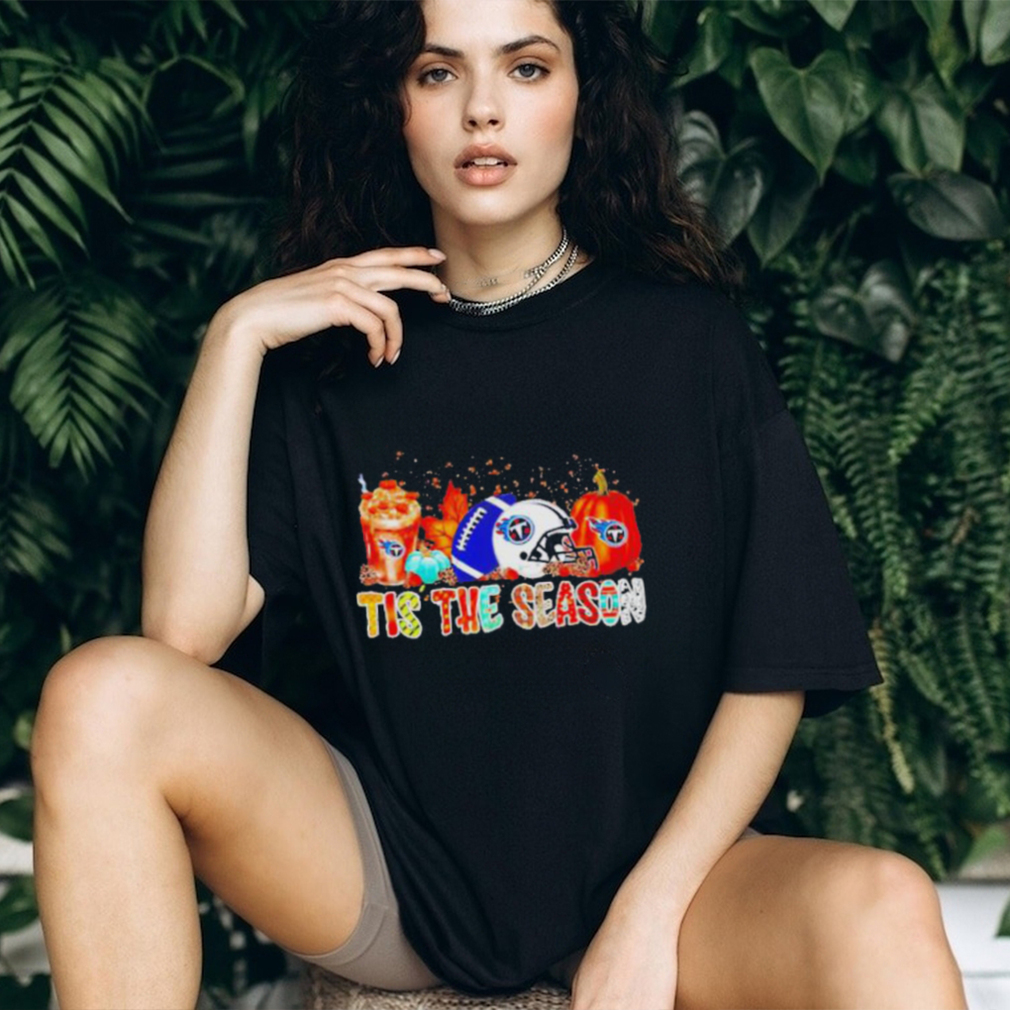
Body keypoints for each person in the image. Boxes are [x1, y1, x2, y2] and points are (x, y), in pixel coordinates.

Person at [29, 1, 970, 1008]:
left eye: (525, 68)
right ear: (391, 104)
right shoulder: (329, 365)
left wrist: (649, 911)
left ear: (583, 97)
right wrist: (237, 336)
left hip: (667, 873)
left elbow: (773, 664)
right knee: (99, 694)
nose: (482, 109)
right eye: (437, 73)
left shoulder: (687, 345)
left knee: (884, 900)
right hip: (392, 873)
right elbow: (182, 632)